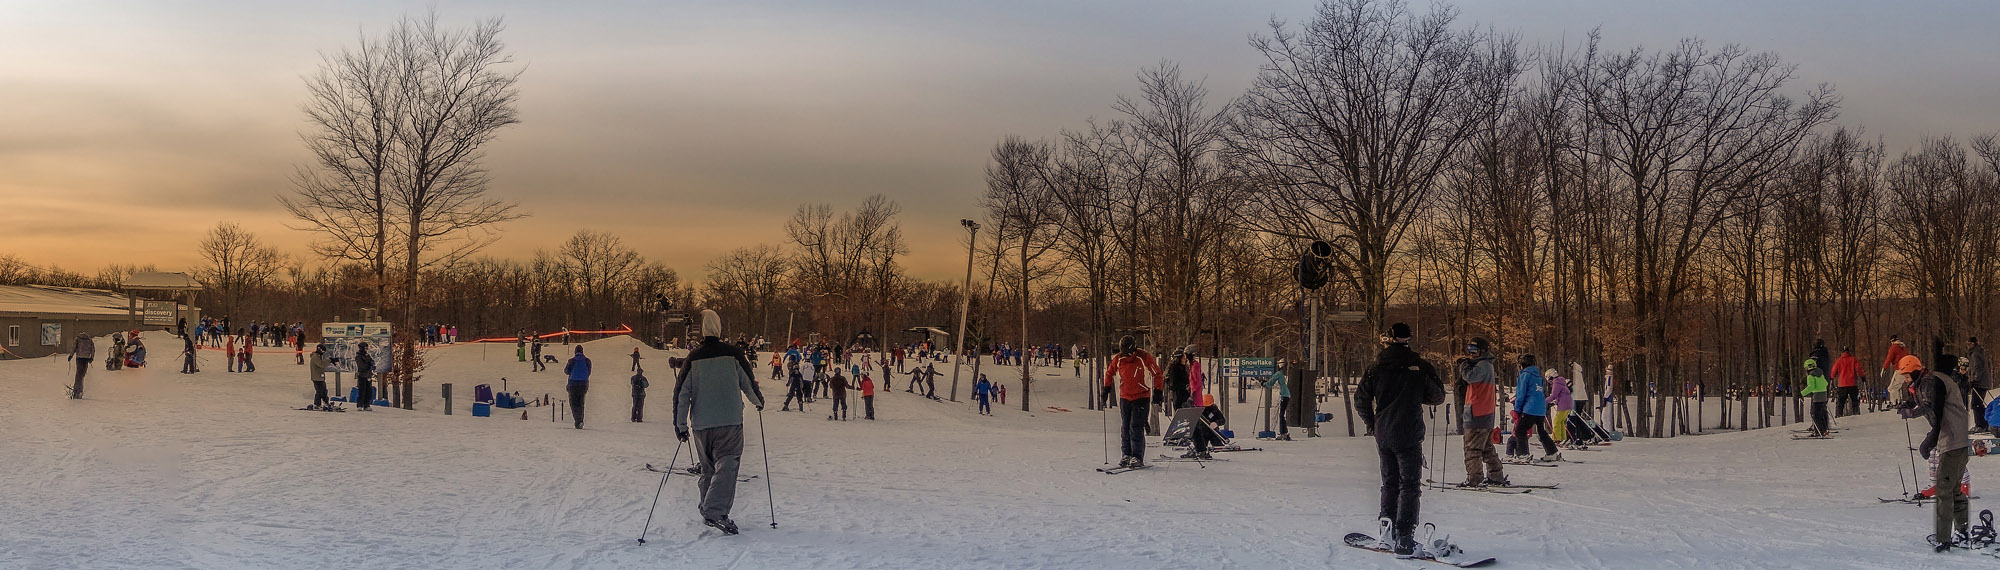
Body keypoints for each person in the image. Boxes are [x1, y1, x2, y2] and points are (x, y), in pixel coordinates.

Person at [1354, 323, 1445, 557]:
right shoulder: (1420, 365)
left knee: (1389, 482)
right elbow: (1437, 396)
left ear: (1388, 340)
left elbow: (1361, 398)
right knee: (1410, 485)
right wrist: (1416, 394)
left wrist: (1373, 424)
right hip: (1409, 431)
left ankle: (1386, 527)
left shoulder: (1377, 366)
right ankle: (1405, 534)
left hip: (1383, 432)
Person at [672, 310, 765, 535]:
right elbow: (747, 381)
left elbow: (681, 393)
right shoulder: (732, 354)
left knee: (708, 468)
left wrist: (680, 425)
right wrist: (758, 401)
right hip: (729, 420)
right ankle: (714, 510)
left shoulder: (693, 357)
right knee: (728, 463)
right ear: (719, 328)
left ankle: (707, 506)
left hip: (701, 424)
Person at [1902, 354, 1972, 551]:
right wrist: (1909, 405)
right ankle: (1962, 532)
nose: (1906, 379)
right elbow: (1926, 403)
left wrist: (1928, 438)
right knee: (1954, 489)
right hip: (1955, 440)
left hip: (1951, 441)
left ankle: (1943, 538)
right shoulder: (1927, 383)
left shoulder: (1930, 383)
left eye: (1907, 375)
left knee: (1944, 490)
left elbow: (1932, 409)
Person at [1102, 335, 1162, 469]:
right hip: (1125, 397)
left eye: (1129, 353)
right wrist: (1106, 389)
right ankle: (1126, 454)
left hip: (1141, 396)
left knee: (1136, 426)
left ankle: (1137, 456)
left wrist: (1158, 392)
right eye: (1124, 352)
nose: (1127, 355)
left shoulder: (1144, 357)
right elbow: (1109, 373)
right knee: (1125, 427)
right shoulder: (1118, 358)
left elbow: (1157, 374)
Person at [1457, 338, 1505, 486]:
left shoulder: (1483, 365)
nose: (1471, 354)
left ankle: (1474, 479)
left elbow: (1469, 377)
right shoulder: (1485, 365)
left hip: (1477, 413)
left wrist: (1464, 365)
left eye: (1474, 351)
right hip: (1483, 412)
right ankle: (1496, 476)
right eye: (1469, 350)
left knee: (1472, 448)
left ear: (1482, 351)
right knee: (1486, 447)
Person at [1507, 354, 1561, 462]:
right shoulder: (1538, 376)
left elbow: (1521, 393)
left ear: (1522, 365)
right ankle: (1552, 452)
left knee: (1520, 430)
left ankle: (1523, 455)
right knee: (1541, 431)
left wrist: (1517, 409)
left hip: (1530, 408)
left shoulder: (1525, 375)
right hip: (1540, 409)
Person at [1182, 394, 1230, 459]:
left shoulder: (1215, 410)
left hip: (1213, 433)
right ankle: (1199, 452)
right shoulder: (1199, 410)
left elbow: (1223, 420)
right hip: (1202, 434)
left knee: (1218, 447)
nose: (1206, 408)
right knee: (1201, 447)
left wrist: (1216, 423)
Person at [1801, 358, 1830, 436]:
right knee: (1822, 413)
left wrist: (1802, 393)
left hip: (1817, 396)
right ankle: (1824, 429)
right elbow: (1826, 383)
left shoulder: (1811, 376)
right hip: (1824, 395)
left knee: (1815, 414)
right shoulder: (1820, 374)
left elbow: (1811, 387)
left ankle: (1818, 431)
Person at [564, 346, 591, 429]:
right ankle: (580, 420)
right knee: (581, 403)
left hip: (573, 384)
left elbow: (566, 371)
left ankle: (578, 421)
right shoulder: (587, 361)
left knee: (573, 403)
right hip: (583, 384)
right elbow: (589, 372)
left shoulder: (572, 361)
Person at [1263, 366, 1293, 441]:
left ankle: (1283, 432)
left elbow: (1271, 382)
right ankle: (1284, 432)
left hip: (1284, 395)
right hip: (1286, 395)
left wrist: (1264, 384)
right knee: (1282, 414)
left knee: (1281, 414)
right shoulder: (1281, 374)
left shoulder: (1278, 374)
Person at [1969, 338, 1992, 433]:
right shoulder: (1980, 352)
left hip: (1980, 383)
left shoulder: (1975, 354)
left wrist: (1975, 380)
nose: (1968, 345)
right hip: (1984, 382)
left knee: (1975, 404)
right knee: (1978, 404)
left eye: (1970, 343)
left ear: (1974, 343)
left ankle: (1981, 425)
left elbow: (1978, 368)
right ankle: (1984, 424)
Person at [1831, 347, 1861, 417]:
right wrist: (1862, 377)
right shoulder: (1853, 359)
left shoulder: (1838, 361)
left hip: (1842, 384)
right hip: (1852, 383)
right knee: (1854, 400)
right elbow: (1859, 369)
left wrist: (1832, 377)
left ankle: (1839, 415)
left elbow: (1833, 371)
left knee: (1841, 401)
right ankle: (1856, 413)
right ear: (1848, 352)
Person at [1883, 335, 1911, 410]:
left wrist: (1884, 368)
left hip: (1900, 369)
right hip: (1907, 369)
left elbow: (1889, 358)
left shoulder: (1894, 347)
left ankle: (1893, 403)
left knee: (1892, 387)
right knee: (1898, 386)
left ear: (1892, 341)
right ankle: (1899, 402)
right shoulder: (1903, 347)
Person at [67, 333, 94, 398]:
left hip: (79, 357)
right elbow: (93, 349)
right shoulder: (89, 340)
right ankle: (80, 390)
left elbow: (74, 347)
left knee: (78, 373)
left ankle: (76, 390)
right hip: (86, 358)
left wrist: (71, 355)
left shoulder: (78, 339)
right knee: (82, 374)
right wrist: (91, 358)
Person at [1548, 371, 1573, 444]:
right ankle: (1563, 438)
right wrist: (1555, 402)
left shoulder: (1556, 383)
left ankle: (1556, 439)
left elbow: (1553, 395)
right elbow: (1562, 395)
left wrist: (1544, 402)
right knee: (1561, 422)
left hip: (1563, 406)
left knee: (1556, 421)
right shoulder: (1562, 382)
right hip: (1568, 404)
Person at [355, 341, 376, 411]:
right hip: (362, 375)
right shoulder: (358, 356)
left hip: (368, 375)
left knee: (368, 391)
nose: (366, 350)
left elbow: (371, 360)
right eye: (365, 348)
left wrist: (372, 363)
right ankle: (360, 404)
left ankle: (367, 405)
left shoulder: (367, 355)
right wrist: (369, 366)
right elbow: (361, 366)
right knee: (362, 390)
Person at [309, 344, 331, 409]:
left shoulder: (319, 356)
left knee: (324, 391)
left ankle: (326, 402)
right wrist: (329, 360)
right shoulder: (315, 357)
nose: (323, 353)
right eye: (323, 351)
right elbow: (321, 364)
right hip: (316, 377)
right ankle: (317, 404)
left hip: (320, 377)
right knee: (319, 391)